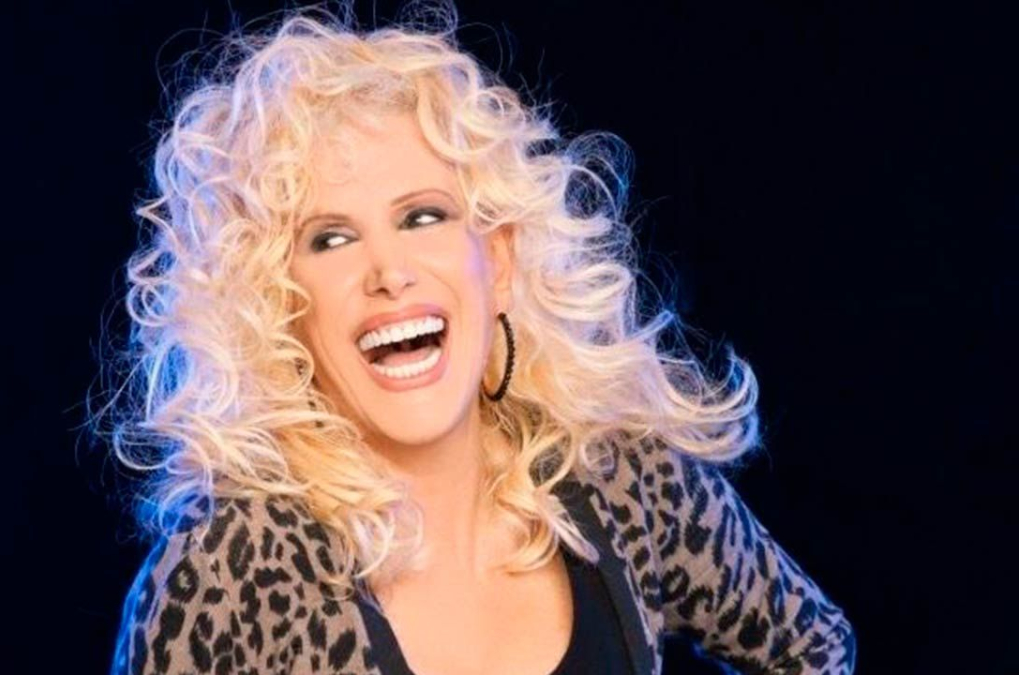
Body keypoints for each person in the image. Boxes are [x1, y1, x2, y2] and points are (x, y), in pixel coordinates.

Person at [100, 6, 856, 674]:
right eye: (330, 238)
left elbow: (813, 646)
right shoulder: (225, 571)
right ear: (278, 306)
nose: (389, 271)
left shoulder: (623, 479)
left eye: (422, 217)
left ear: (496, 258)